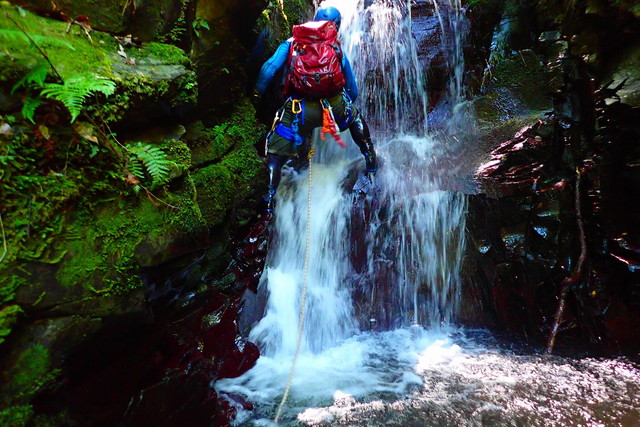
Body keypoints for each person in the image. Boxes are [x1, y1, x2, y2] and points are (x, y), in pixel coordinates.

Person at [251, 5, 378, 213]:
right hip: (333, 106)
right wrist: (344, 109)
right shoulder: (335, 47)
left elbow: (269, 68)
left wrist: (257, 94)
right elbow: (352, 88)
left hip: (299, 110)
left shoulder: (292, 43)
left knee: (275, 153)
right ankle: (370, 160)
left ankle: (269, 198)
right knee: (356, 120)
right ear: (336, 26)